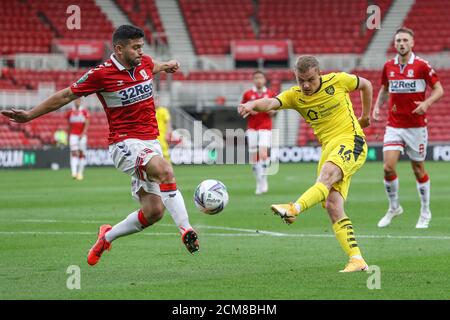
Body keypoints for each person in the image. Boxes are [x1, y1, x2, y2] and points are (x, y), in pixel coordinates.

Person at [1, 25, 199, 266]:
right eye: (135, 47)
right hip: (124, 143)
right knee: (166, 171)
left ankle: (106, 237)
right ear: (119, 48)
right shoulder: (101, 74)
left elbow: (152, 66)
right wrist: (29, 115)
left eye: (141, 47)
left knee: (154, 212)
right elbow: (66, 96)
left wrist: (167, 64)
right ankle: (186, 229)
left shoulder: (144, 63)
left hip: (150, 143)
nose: (140, 52)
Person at [238, 56, 373, 272]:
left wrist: (365, 116)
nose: (306, 85)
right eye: (301, 80)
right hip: (328, 147)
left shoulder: (338, 81)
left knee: (327, 176)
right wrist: (253, 103)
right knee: (332, 204)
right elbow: (272, 102)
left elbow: (366, 84)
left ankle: (294, 208)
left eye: (310, 79)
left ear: (319, 74)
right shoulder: (295, 96)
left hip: (350, 140)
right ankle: (356, 259)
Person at [373, 27, 444, 229]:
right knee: (388, 167)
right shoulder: (388, 66)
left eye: (405, 40)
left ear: (412, 43)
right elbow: (385, 89)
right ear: (394, 44)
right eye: (398, 41)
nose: (401, 43)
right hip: (394, 124)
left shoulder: (422, 66)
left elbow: (439, 90)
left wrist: (426, 104)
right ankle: (394, 207)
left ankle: (425, 211)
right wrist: (378, 106)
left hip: (416, 127)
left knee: (418, 168)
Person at [241, 71, 276, 195]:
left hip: (265, 127)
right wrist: (249, 111)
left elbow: (275, 109)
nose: (258, 80)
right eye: (256, 78)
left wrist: (273, 112)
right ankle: (259, 181)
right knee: (253, 159)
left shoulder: (270, 93)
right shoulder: (248, 94)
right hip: (252, 128)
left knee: (262, 154)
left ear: (264, 79)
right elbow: (242, 108)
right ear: (253, 80)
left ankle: (263, 180)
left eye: (260, 77)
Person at [66, 98, 89, 180]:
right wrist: (67, 135)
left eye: (78, 100)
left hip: (82, 136)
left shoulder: (84, 112)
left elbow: (87, 123)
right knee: (74, 153)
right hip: (73, 135)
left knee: (82, 154)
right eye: (76, 100)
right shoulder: (70, 112)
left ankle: (80, 173)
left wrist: (83, 133)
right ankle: (74, 173)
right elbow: (68, 125)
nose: (77, 101)